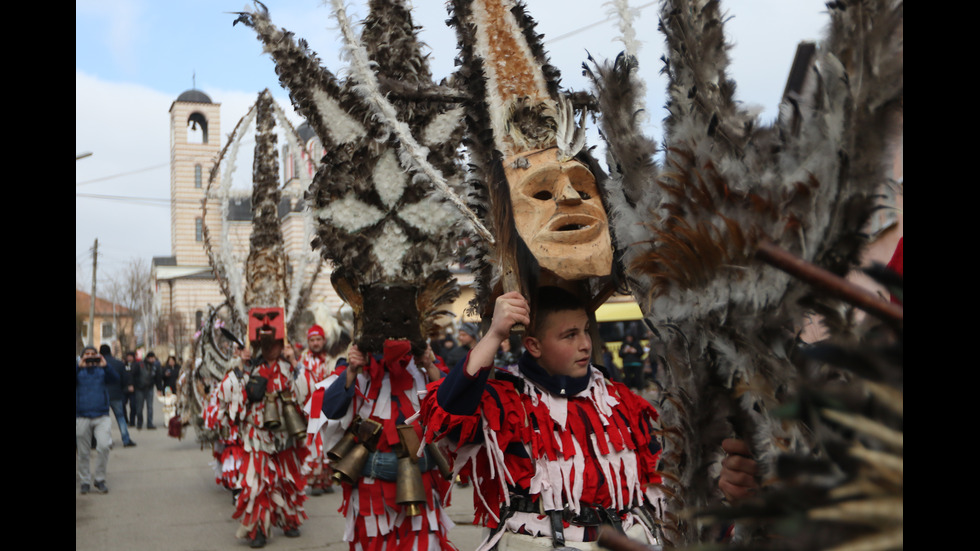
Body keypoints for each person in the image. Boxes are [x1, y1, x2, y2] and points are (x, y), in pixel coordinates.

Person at [419, 288, 665, 550]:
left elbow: (654, 476)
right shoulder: (508, 400)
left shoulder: (617, 397)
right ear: (534, 346)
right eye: (569, 335)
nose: (585, 344)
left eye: (584, 330)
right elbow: (450, 413)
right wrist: (495, 334)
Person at [309, 338, 456, 551]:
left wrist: (430, 364)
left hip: (421, 485)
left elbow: (453, 404)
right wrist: (351, 369)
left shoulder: (425, 365)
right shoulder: (356, 366)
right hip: (371, 488)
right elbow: (329, 410)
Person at [233, 307, 311, 548]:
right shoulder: (250, 367)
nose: (270, 348)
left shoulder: (290, 367)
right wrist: (240, 366)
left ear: (282, 343)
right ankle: (257, 529)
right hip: (257, 433)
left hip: (286, 431)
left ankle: (290, 520)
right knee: (257, 483)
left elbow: (307, 392)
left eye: (275, 343)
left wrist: (293, 360)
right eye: (266, 344)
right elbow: (233, 398)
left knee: (288, 478)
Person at [203, 342, 251, 505]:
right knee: (235, 456)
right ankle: (237, 489)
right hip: (234, 427)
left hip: (249, 425)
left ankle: (244, 487)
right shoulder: (227, 383)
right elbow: (218, 405)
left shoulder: (248, 377)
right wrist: (220, 420)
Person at [294, 324, 338, 496]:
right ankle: (315, 482)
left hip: (330, 408)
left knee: (329, 444)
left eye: (318, 339)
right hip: (312, 409)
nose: (316, 343)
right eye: (312, 340)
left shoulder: (330, 359)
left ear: (324, 340)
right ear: (308, 342)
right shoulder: (303, 361)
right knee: (315, 446)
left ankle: (327, 479)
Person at [76, 346, 121, 494]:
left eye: (92, 354)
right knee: (83, 452)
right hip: (82, 415)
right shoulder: (79, 371)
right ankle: (85, 481)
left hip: (101, 415)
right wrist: (78, 366)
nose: (90, 357)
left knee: (103, 446)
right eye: (86, 355)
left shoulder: (102, 370)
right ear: (82, 357)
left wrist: (106, 365)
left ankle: (100, 479)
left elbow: (116, 379)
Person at [99, 344, 136, 448]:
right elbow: (124, 378)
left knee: (104, 420)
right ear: (110, 351)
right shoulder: (119, 363)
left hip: (102, 395)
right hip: (116, 394)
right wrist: (123, 389)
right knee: (120, 417)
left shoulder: (98, 364)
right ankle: (126, 439)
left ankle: (107, 441)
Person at [133, 351, 162, 429]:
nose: (153, 360)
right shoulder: (140, 365)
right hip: (139, 389)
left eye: (154, 358)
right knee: (139, 407)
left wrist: (159, 389)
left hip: (149, 388)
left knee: (150, 407)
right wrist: (134, 385)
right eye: (152, 358)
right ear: (148, 358)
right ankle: (139, 422)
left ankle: (150, 423)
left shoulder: (155, 366)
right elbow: (133, 375)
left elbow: (158, 378)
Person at [122, 352, 138, 422]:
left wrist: (133, 385)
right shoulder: (123, 365)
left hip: (134, 388)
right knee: (122, 404)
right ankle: (125, 419)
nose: (129, 358)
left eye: (131, 356)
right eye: (128, 356)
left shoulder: (137, 365)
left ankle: (132, 420)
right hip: (124, 388)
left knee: (133, 405)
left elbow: (137, 377)